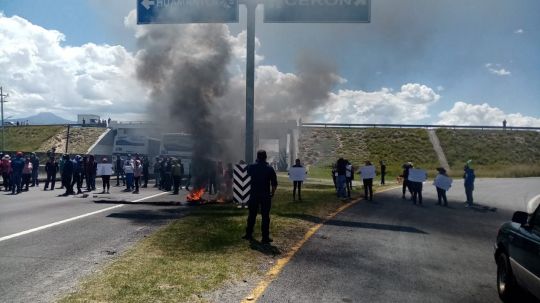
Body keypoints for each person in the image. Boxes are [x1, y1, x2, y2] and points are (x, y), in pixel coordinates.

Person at [242, 150, 278, 244]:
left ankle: (248, 234)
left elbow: (247, 174)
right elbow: (274, 184)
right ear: (266, 157)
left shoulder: (251, 166)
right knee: (265, 216)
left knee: (252, 215)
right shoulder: (269, 168)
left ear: (257, 157)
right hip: (265, 194)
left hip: (254, 194)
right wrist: (272, 193)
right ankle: (265, 237)